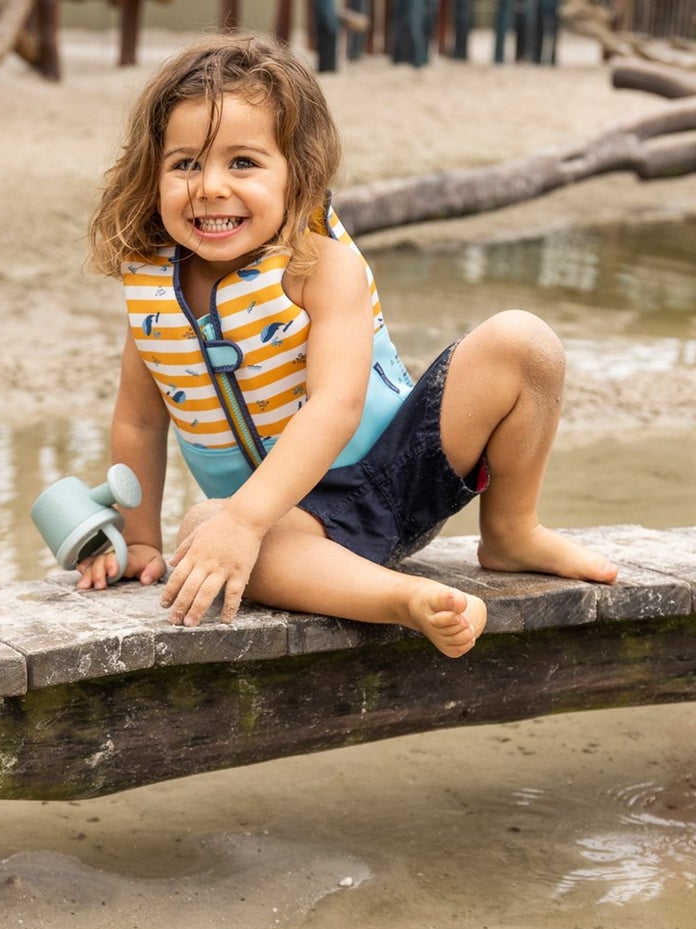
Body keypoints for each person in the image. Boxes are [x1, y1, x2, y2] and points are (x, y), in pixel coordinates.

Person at [77, 33, 618, 658]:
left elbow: (336, 404)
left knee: (525, 341)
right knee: (202, 529)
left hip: (405, 466)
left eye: (243, 162)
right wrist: (142, 542)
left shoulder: (319, 265)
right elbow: (139, 423)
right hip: (298, 525)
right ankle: (398, 599)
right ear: (153, 175)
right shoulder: (156, 299)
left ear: (296, 174)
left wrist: (243, 520)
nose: (210, 187)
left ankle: (511, 530)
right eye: (185, 164)